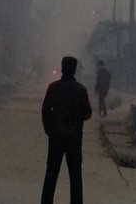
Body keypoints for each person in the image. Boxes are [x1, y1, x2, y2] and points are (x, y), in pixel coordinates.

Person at [40, 55, 93, 204]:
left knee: (51, 172)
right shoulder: (80, 90)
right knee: (75, 174)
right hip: (74, 137)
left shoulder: (54, 87)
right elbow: (88, 112)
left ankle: (46, 201)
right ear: (75, 70)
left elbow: (45, 110)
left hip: (56, 135)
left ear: (63, 68)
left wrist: (49, 127)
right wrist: (76, 120)